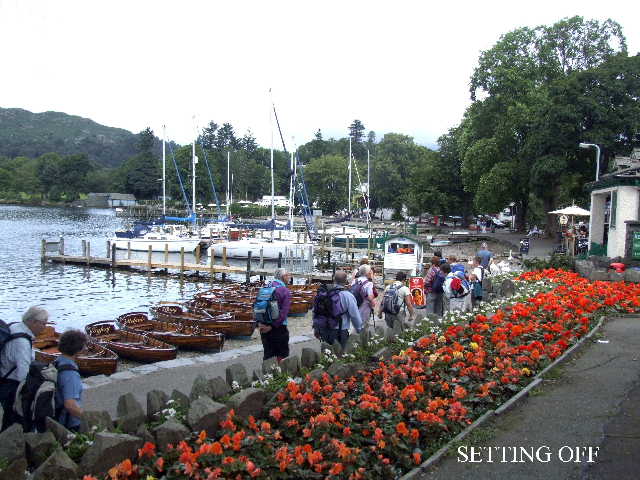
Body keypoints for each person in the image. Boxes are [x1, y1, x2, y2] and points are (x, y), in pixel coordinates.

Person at [0, 306, 48, 431]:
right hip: (11, 386)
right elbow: (23, 374)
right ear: (33, 322)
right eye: (43, 323)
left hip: (3, 377)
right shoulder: (22, 342)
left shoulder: (14, 326)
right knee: (14, 419)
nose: (45, 327)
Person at [315, 270, 363, 348]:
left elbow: (317, 311)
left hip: (324, 329)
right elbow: (354, 315)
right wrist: (359, 329)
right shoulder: (348, 296)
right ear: (346, 281)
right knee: (340, 353)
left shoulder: (324, 293)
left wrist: (316, 329)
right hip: (340, 331)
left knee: (326, 353)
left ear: (333, 279)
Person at [55, 330, 87, 432]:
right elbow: (70, 404)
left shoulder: (57, 362)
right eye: (84, 346)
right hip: (70, 424)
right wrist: (89, 419)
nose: (86, 348)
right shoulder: (70, 373)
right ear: (78, 350)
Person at [259, 268, 292, 362]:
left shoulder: (266, 287)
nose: (289, 277)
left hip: (264, 326)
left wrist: (259, 323)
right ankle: (279, 371)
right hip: (279, 327)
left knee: (268, 355)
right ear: (283, 277)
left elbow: (257, 306)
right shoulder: (284, 290)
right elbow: (284, 313)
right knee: (282, 355)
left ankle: (267, 371)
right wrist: (272, 326)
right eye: (288, 275)